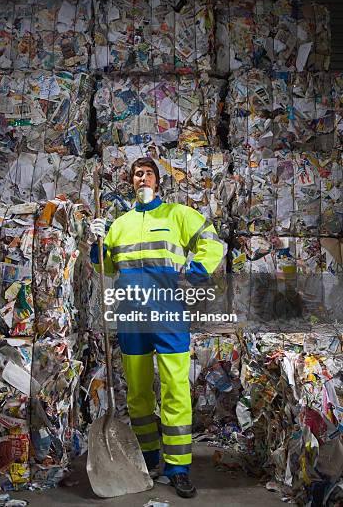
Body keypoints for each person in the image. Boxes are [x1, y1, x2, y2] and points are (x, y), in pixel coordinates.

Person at [89, 157, 224, 499]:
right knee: (137, 394)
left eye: (148, 173)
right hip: (131, 318)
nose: (143, 178)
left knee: (176, 389)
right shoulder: (119, 224)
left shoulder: (178, 215)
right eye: (137, 174)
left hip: (169, 316)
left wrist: (194, 273)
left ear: (158, 182)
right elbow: (106, 267)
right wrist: (96, 243)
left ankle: (178, 468)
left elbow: (212, 242)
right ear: (131, 183)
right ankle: (148, 460)